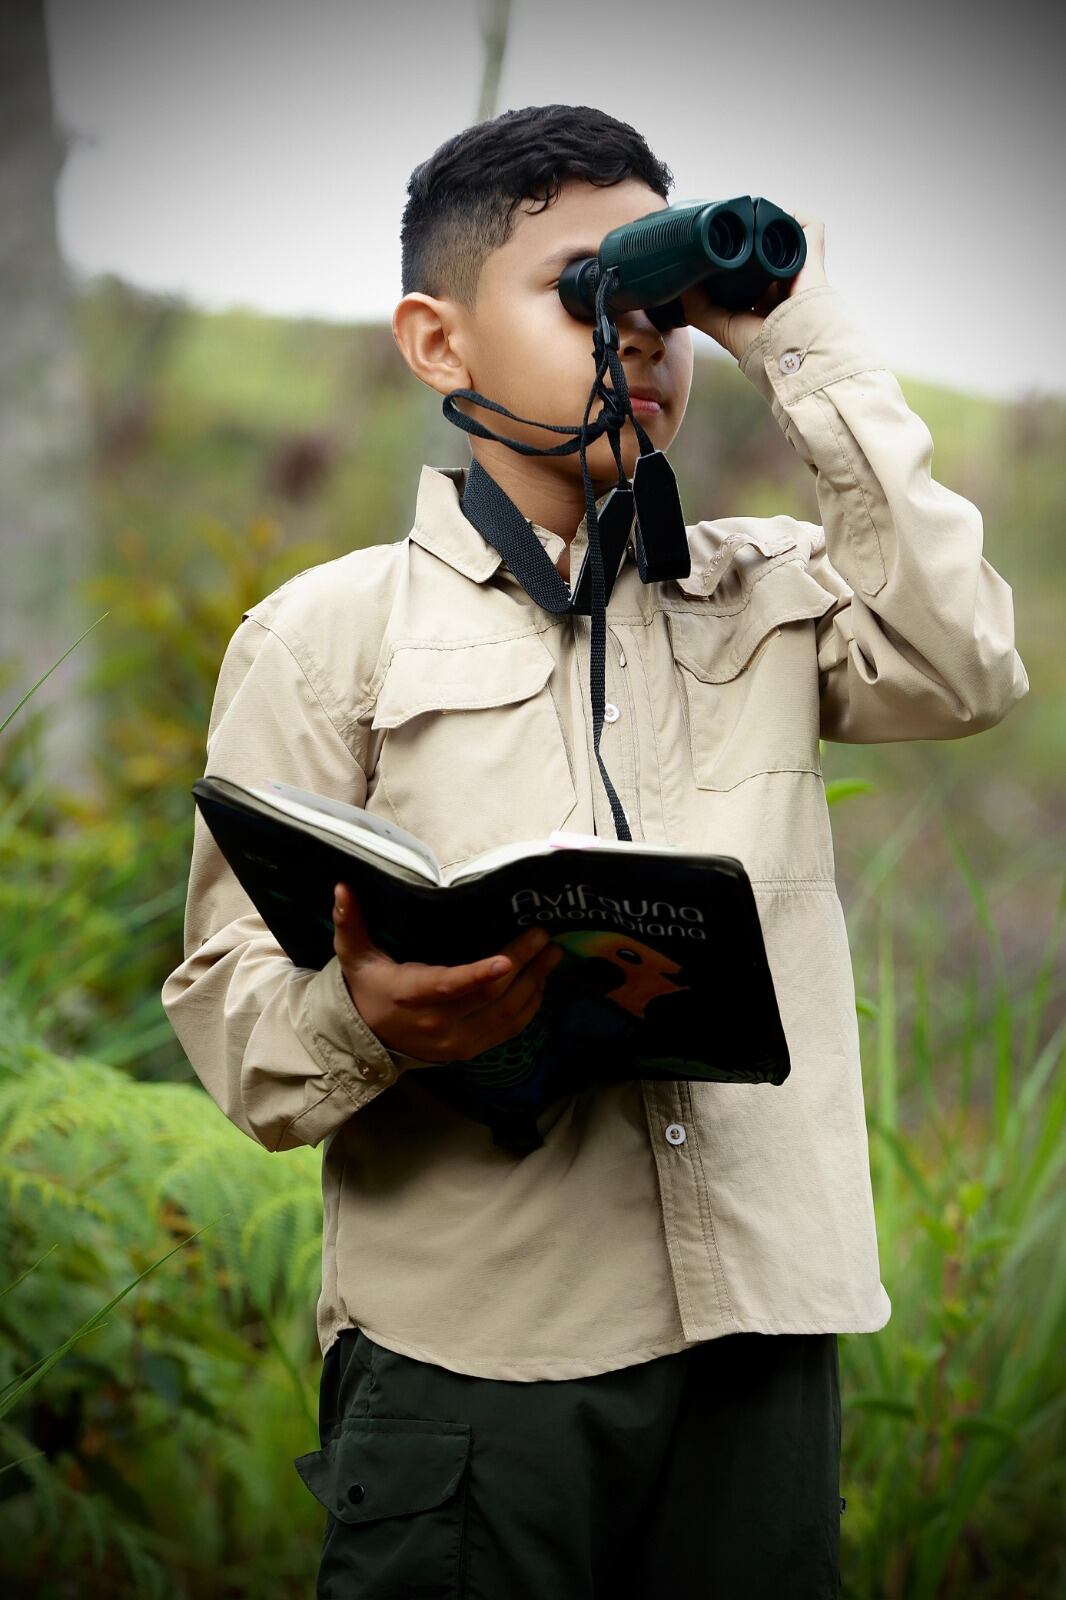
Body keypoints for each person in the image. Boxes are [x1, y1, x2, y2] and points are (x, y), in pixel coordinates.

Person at [160, 103, 1028, 1598]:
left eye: (654, 299)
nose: (631, 328)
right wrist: (362, 1016)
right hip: (476, 1354)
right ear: (436, 344)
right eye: (578, 288)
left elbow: (966, 667)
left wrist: (793, 334)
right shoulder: (326, 637)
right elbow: (230, 1011)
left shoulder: (767, 596)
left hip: (758, 1332)